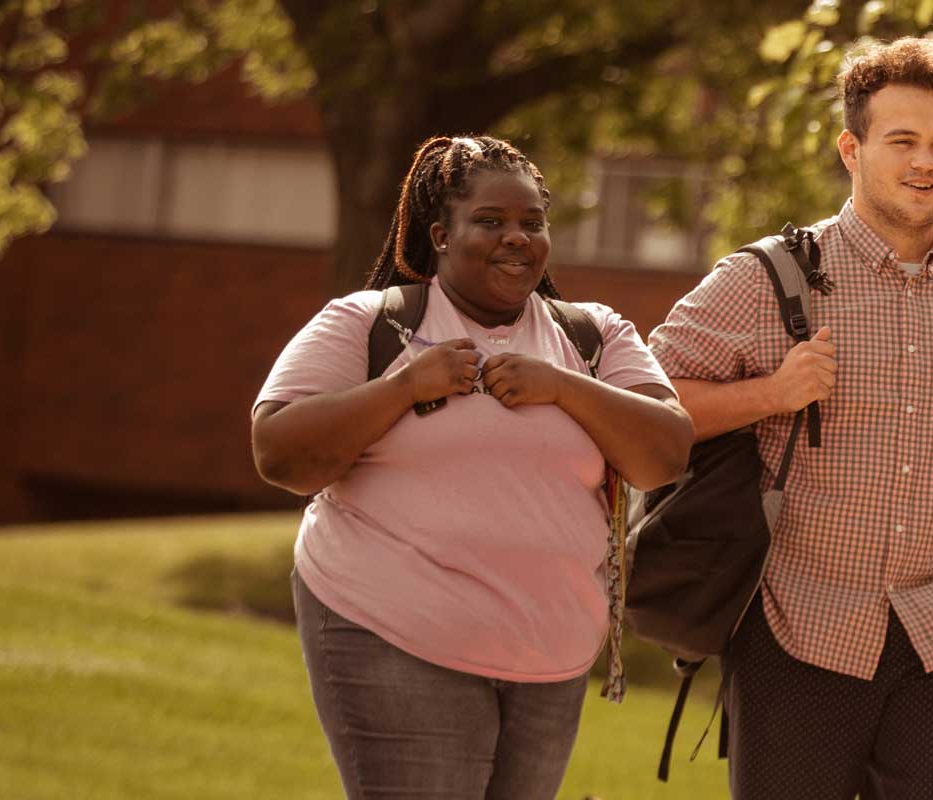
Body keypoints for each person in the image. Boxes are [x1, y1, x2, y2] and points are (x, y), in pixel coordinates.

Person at [644, 35, 933, 799]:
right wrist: (769, 394)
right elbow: (642, 405)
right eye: (902, 142)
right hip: (796, 636)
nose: (925, 163)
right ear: (850, 148)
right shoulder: (765, 279)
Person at [251, 134, 693, 799]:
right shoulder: (370, 324)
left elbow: (665, 452)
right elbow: (278, 451)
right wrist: (403, 388)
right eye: (490, 221)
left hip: (549, 655)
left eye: (532, 223)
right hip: (393, 631)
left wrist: (564, 387)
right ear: (441, 234)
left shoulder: (591, 336)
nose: (517, 238)